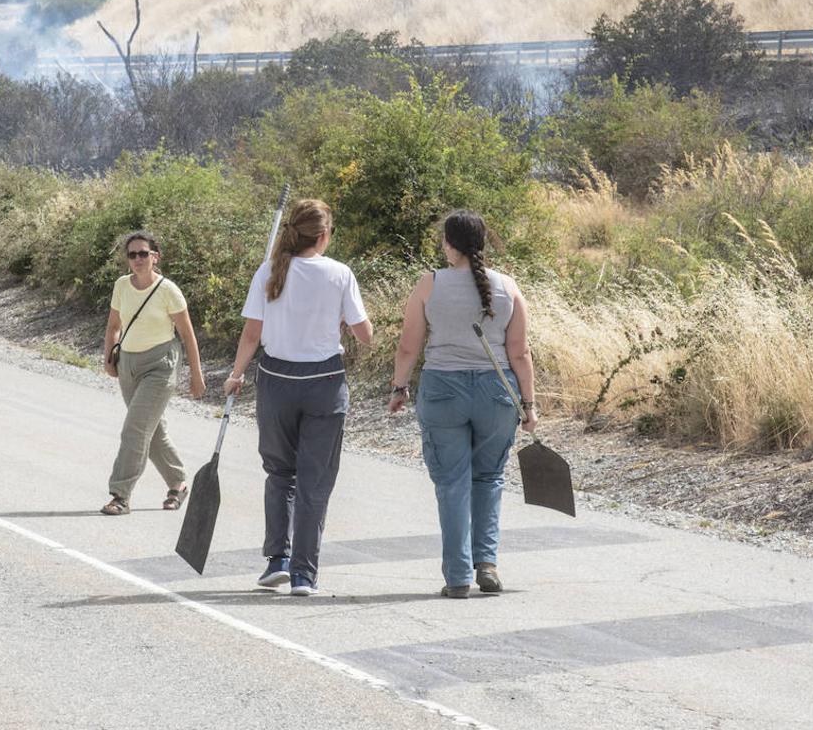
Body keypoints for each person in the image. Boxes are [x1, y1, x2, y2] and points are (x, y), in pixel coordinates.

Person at [225, 199, 373, 596]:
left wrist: (236, 374)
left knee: (280, 473)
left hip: (276, 381)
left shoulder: (270, 270)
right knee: (315, 481)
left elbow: (252, 334)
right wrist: (343, 320)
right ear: (324, 235)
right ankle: (304, 575)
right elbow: (365, 335)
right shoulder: (340, 274)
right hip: (324, 382)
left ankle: (278, 560)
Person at [388, 210, 537, 598]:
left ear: (449, 245)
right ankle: (486, 563)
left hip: (443, 390)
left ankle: (457, 577)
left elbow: (409, 345)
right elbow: (520, 354)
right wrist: (530, 404)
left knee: (452, 483)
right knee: (488, 478)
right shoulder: (507, 287)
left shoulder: (429, 284)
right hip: (496, 391)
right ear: (482, 243)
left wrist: (399, 387)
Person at [101, 231, 206, 515]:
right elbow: (113, 326)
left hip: (160, 365)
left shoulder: (168, 290)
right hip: (128, 365)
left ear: (155, 257)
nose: (137, 259)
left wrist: (196, 375)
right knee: (152, 430)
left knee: (135, 428)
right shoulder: (122, 285)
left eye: (143, 254)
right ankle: (178, 483)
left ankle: (120, 495)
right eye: (132, 254)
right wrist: (109, 359)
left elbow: (187, 334)